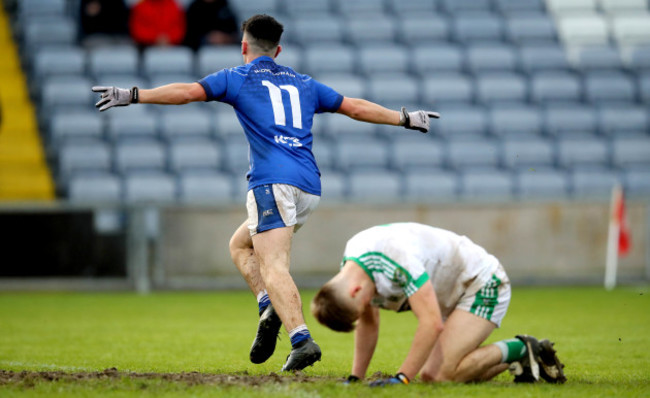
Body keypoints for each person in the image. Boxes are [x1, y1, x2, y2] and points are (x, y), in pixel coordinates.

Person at [91, 14, 440, 372]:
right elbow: (354, 106)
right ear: (279, 50)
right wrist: (405, 118)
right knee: (240, 246)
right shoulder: (304, 83)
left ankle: (301, 340)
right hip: (308, 186)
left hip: (271, 182)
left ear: (244, 46)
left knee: (273, 266)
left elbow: (187, 92)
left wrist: (133, 95)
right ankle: (268, 305)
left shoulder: (237, 78)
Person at [311, 222, 567, 385]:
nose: (367, 307)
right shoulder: (351, 270)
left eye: (362, 304)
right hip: (450, 295)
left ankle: (523, 348)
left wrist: (402, 379)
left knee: (439, 375)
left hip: (481, 283)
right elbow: (369, 322)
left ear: (355, 291)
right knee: (449, 372)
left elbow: (431, 323)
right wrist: (356, 378)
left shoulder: (395, 260)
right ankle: (523, 358)